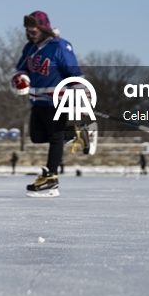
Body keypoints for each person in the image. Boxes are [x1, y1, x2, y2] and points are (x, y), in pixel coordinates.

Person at [10, 11, 94, 198]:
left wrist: (83, 92)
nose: (30, 34)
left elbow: (74, 74)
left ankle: (51, 178)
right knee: (37, 137)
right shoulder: (30, 48)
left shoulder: (60, 46)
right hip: (38, 100)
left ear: (43, 28)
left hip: (58, 98)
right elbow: (21, 69)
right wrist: (21, 79)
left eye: (33, 30)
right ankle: (76, 132)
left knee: (55, 137)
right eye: (28, 31)